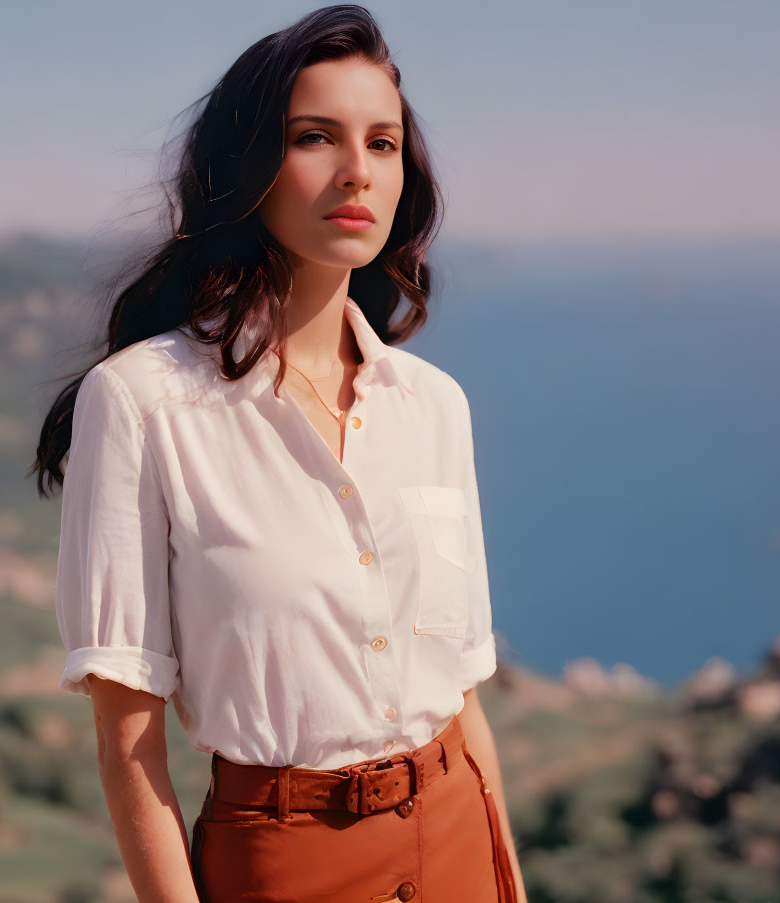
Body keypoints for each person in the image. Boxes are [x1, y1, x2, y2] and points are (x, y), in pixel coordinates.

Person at [30, 5, 525, 902]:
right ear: (249, 165)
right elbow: (127, 747)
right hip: (286, 862)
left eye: (382, 144)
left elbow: (461, 697)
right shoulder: (144, 403)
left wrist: (507, 882)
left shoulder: (433, 407)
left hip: (458, 833)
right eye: (314, 138)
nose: (355, 173)